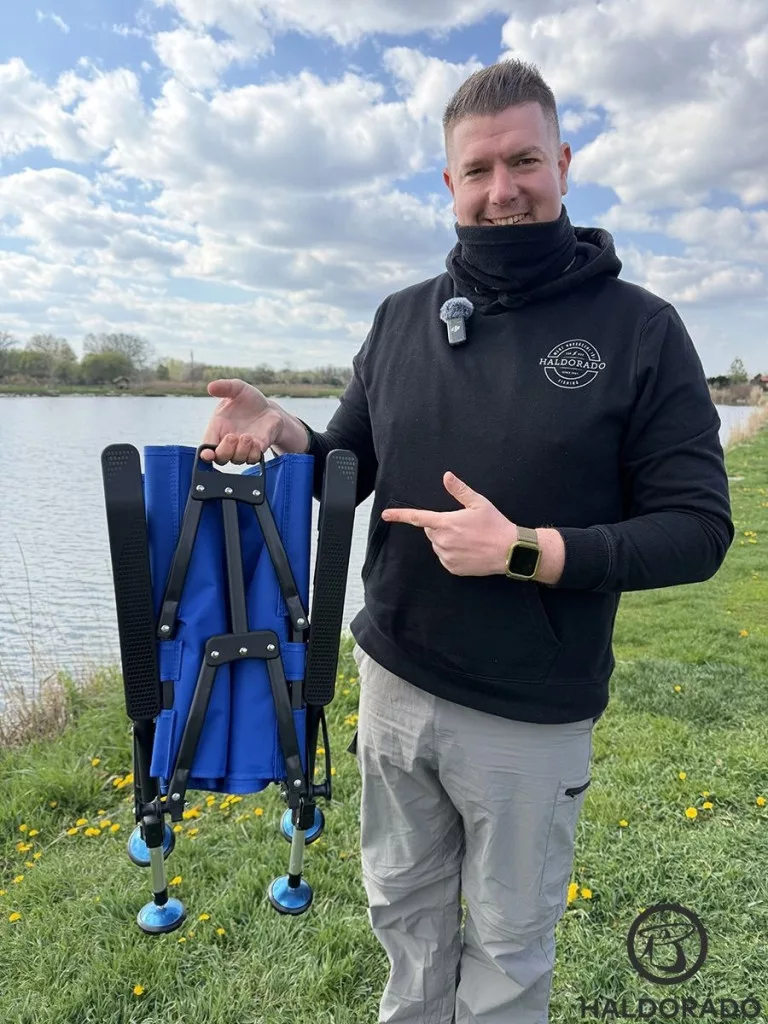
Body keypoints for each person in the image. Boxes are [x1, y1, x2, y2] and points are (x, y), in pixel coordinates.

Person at [200, 60, 733, 1024]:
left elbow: (698, 531)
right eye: (478, 170)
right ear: (450, 183)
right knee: (403, 915)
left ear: (563, 163)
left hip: (531, 712)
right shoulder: (401, 317)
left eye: (523, 161)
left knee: (508, 948)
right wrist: (287, 432)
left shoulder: (642, 330)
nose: (502, 190)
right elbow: (350, 467)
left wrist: (524, 549)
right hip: (395, 682)